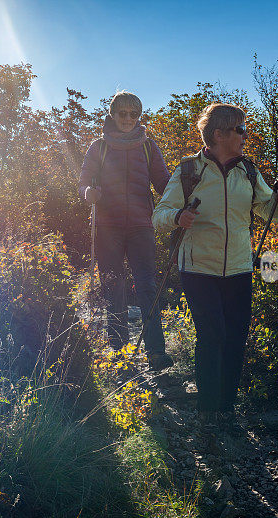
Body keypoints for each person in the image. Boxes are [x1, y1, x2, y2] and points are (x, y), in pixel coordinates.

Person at [152, 103, 278, 419]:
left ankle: (225, 409)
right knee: (212, 334)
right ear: (219, 134)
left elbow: (270, 213)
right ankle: (207, 410)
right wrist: (178, 216)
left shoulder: (249, 171)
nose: (246, 135)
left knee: (235, 337)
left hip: (240, 268)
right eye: (240, 129)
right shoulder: (190, 171)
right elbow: (158, 215)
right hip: (199, 268)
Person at [79, 91, 172, 370]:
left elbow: (164, 183)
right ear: (112, 114)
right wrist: (88, 193)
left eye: (134, 114)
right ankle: (118, 352)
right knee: (113, 287)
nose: (128, 119)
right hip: (107, 227)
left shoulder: (148, 147)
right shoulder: (99, 146)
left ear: (139, 116)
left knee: (148, 286)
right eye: (123, 113)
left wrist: (185, 199)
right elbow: (83, 181)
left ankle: (156, 351)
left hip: (142, 225)